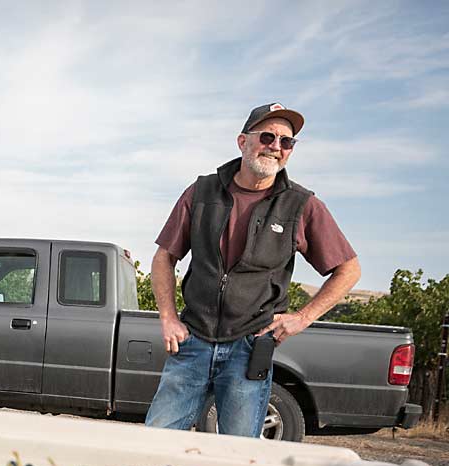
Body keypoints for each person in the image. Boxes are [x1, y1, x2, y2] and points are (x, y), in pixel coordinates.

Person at [145, 103, 361, 437]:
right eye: (267, 136)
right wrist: (168, 317)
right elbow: (164, 257)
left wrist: (302, 317)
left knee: (241, 452)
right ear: (242, 141)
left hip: (249, 348)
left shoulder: (301, 205)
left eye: (286, 142)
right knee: (154, 440)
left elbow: (348, 269)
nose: (276, 146)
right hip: (192, 341)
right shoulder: (201, 192)